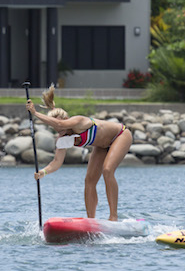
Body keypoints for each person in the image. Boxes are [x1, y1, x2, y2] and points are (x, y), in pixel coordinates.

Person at [27, 84, 133, 221]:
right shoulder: (63, 139)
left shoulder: (78, 121)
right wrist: (43, 172)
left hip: (120, 135)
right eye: (51, 126)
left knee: (107, 170)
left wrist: (35, 113)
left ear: (65, 120)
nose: (55, 128)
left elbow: (60, 125)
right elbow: (56, 162)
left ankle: (113, 216)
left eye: (55, 124)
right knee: (89, 180)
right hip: (101, 146)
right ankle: (91, 221)